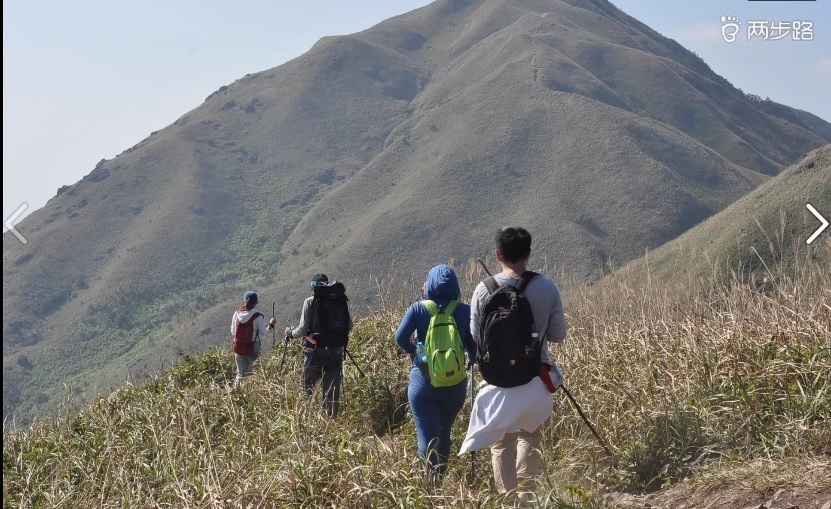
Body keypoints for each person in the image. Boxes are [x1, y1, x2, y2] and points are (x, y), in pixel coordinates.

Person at [468, 227, 567, 504]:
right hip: (535, 380)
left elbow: (476, 336)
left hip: (497, 381)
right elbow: (559, 335)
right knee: (530, 435)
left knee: (501, 443)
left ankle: (509, 502)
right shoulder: (547, 288)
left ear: (497, 255)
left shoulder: (482, 290)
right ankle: (527, 498)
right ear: (529, 254)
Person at [395, 264, 476, 485]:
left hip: (424, 384)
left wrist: (413, 351)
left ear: (429, 285)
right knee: (444, 432)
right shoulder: (465, 311)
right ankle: (439, 481)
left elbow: (400, 337)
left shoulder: (417, 309)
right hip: (455, 385)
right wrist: (468, 362)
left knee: (426, 437)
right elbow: (473, 348)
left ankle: (427, 489)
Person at [284, 273, 352, 418]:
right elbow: (349, 326)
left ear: (313, 286)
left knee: (306, 387)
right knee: (331, 390)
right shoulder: (340, 300)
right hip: (336, 352)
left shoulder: (310, 301)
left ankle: (303, 419)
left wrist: (290, 333)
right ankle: (330, 420)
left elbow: (302, 329)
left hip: (315, 352)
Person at [231, 290, 277, 387]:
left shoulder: (237, 314)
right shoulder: (257, 316)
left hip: (238, 348)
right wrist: (271, 325)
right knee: (252, 374)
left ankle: (235, 394)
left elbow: (233, 332)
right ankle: (251, 394)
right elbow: (263, 333)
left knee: (240, 374)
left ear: (244, 300)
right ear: (256, 302)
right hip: (253, 348)